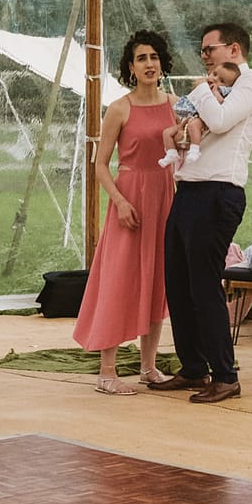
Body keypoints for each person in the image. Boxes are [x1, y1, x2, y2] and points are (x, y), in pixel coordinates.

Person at [147, 22, 252, 405]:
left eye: (208, 50)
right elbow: (198, 129)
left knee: (202, 283)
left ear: (233, 49)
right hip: (189, 186)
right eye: (203, 52)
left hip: (219, 191)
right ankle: (194, 366)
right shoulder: (214, 89)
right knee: (178, 282)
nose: (203, 58)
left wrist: (202, 89)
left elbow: (218, 120)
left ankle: (225, 374)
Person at [72, 29, 176, 395]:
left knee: (157, 282)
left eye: (154, 57)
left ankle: (149, 366)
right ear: (130, 67)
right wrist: (118, 201)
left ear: (162, 63)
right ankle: (107, 371)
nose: (149, 64)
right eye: (141, 58)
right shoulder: (120, 107)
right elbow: (100, 164)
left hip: (165, 197)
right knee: (119, 280)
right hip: (130, 198)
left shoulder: (175, 104)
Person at [157, 60, 241, 168]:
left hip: (200, 119)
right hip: (189, 118)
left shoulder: (219, 91)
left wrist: (215, 92)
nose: (215, 79)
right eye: (214, 74)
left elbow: (220, 103)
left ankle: (195, 149)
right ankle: (171, 153)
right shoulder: (202, 85)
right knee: (167, 132)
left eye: (221, 80)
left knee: (194, 125)